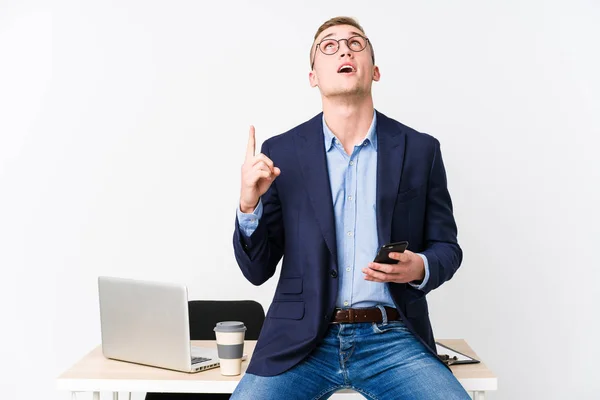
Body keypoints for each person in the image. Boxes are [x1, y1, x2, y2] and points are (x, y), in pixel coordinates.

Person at [232, 16, 469, 399]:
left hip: (392, 338)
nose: (344, 49)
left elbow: (447, 248)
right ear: (313, 76)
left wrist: (418, 267)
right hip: (300, 342)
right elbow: (257, 271)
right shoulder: (281, 154)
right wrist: (248, 204)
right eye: (329, 45)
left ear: (374, 70)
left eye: (356, 43)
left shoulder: (420, 150)